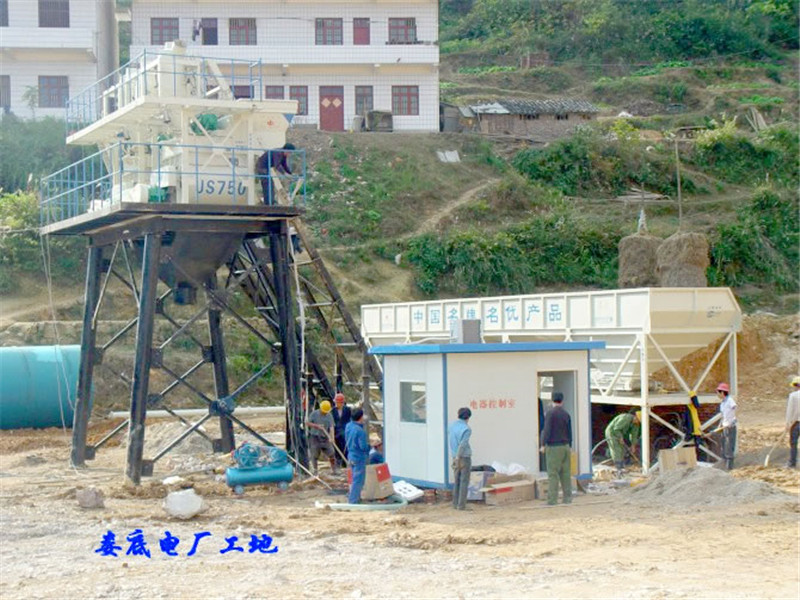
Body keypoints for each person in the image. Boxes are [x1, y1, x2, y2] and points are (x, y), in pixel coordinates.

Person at [540, 392, 572, 505]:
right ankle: (567, 499)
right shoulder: (566, 414)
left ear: (552, 400)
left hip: (554, 447)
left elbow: (547, 430)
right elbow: (569, 431)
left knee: (553, 474)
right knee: (566, 474)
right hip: (565, 446)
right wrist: (570, 445)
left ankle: (552, 500)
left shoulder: (550, 414)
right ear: (562, 401)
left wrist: (543, 444)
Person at [448, 407, 472, 511]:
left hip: (454, 456)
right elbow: (463, 444)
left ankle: (455, 503)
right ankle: (461, 505)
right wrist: (459, 456)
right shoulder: (466, 429)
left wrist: (455, 457)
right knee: (464, 481)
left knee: (456, 480)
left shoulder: (452, 426)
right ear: (468, 417)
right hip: (464, 457)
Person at [605, 410, 641, 477]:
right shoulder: (625, 418)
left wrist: (633, 445)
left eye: (639, 422)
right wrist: (620, 437)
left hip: (620, 434)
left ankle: (622, 465)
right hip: (612, 432)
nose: (638, 422)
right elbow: (616, 429)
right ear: (635, 417)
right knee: (616, 449)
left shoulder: (636, 424)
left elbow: (634, 435)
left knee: (622, 449)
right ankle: (618, 467)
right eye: (638, 421)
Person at [345, 408, 369, 504]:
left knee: (354, 478)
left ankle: (355, 497)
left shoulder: (348, 426)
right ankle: (353, 500)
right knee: (358, 480)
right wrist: (370, 447)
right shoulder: (360, 431)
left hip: (350, 455)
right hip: (359, 457)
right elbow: (363, 447)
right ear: (361, 417)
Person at [306, 399, 336, 476]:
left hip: (325, 437)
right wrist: (317, 426)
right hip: (315, 437)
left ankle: (334, 470)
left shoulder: (329, 415)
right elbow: (307, 423)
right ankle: (315, 470)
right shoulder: (314, 414)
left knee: (332, 453)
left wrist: (332, 437)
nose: (325, 412)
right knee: (314, 454)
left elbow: (331, 427)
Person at [717, 382, 737, 470]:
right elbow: (723, 416)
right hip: (724, 426)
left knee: (729, 446)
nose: (717, 394)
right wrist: (720, 425)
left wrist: (732, 421)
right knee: (724, 445)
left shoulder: (730, 401)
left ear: (722, 392)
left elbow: (735, 409)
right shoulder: (722, 403)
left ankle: (730, 467)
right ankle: (724, 464)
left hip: (730, 427)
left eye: (718, 392)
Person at [331, 392, 351, 468]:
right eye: (336, 402)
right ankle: (338, 465)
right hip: (336, 434)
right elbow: (331, 423)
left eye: (338, 402)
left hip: (345, 433)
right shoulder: (332, 411)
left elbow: (350, 420)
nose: (337, 404)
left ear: (342, 402)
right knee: (337, 451)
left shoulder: (348, 410)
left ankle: (346, 464)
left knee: (346, 450)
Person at [785, 376, 800, 469]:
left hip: (796, 423)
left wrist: (788, 423)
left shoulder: (793, 396)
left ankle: (792, 463)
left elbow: (790, 411)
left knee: (793, 443)